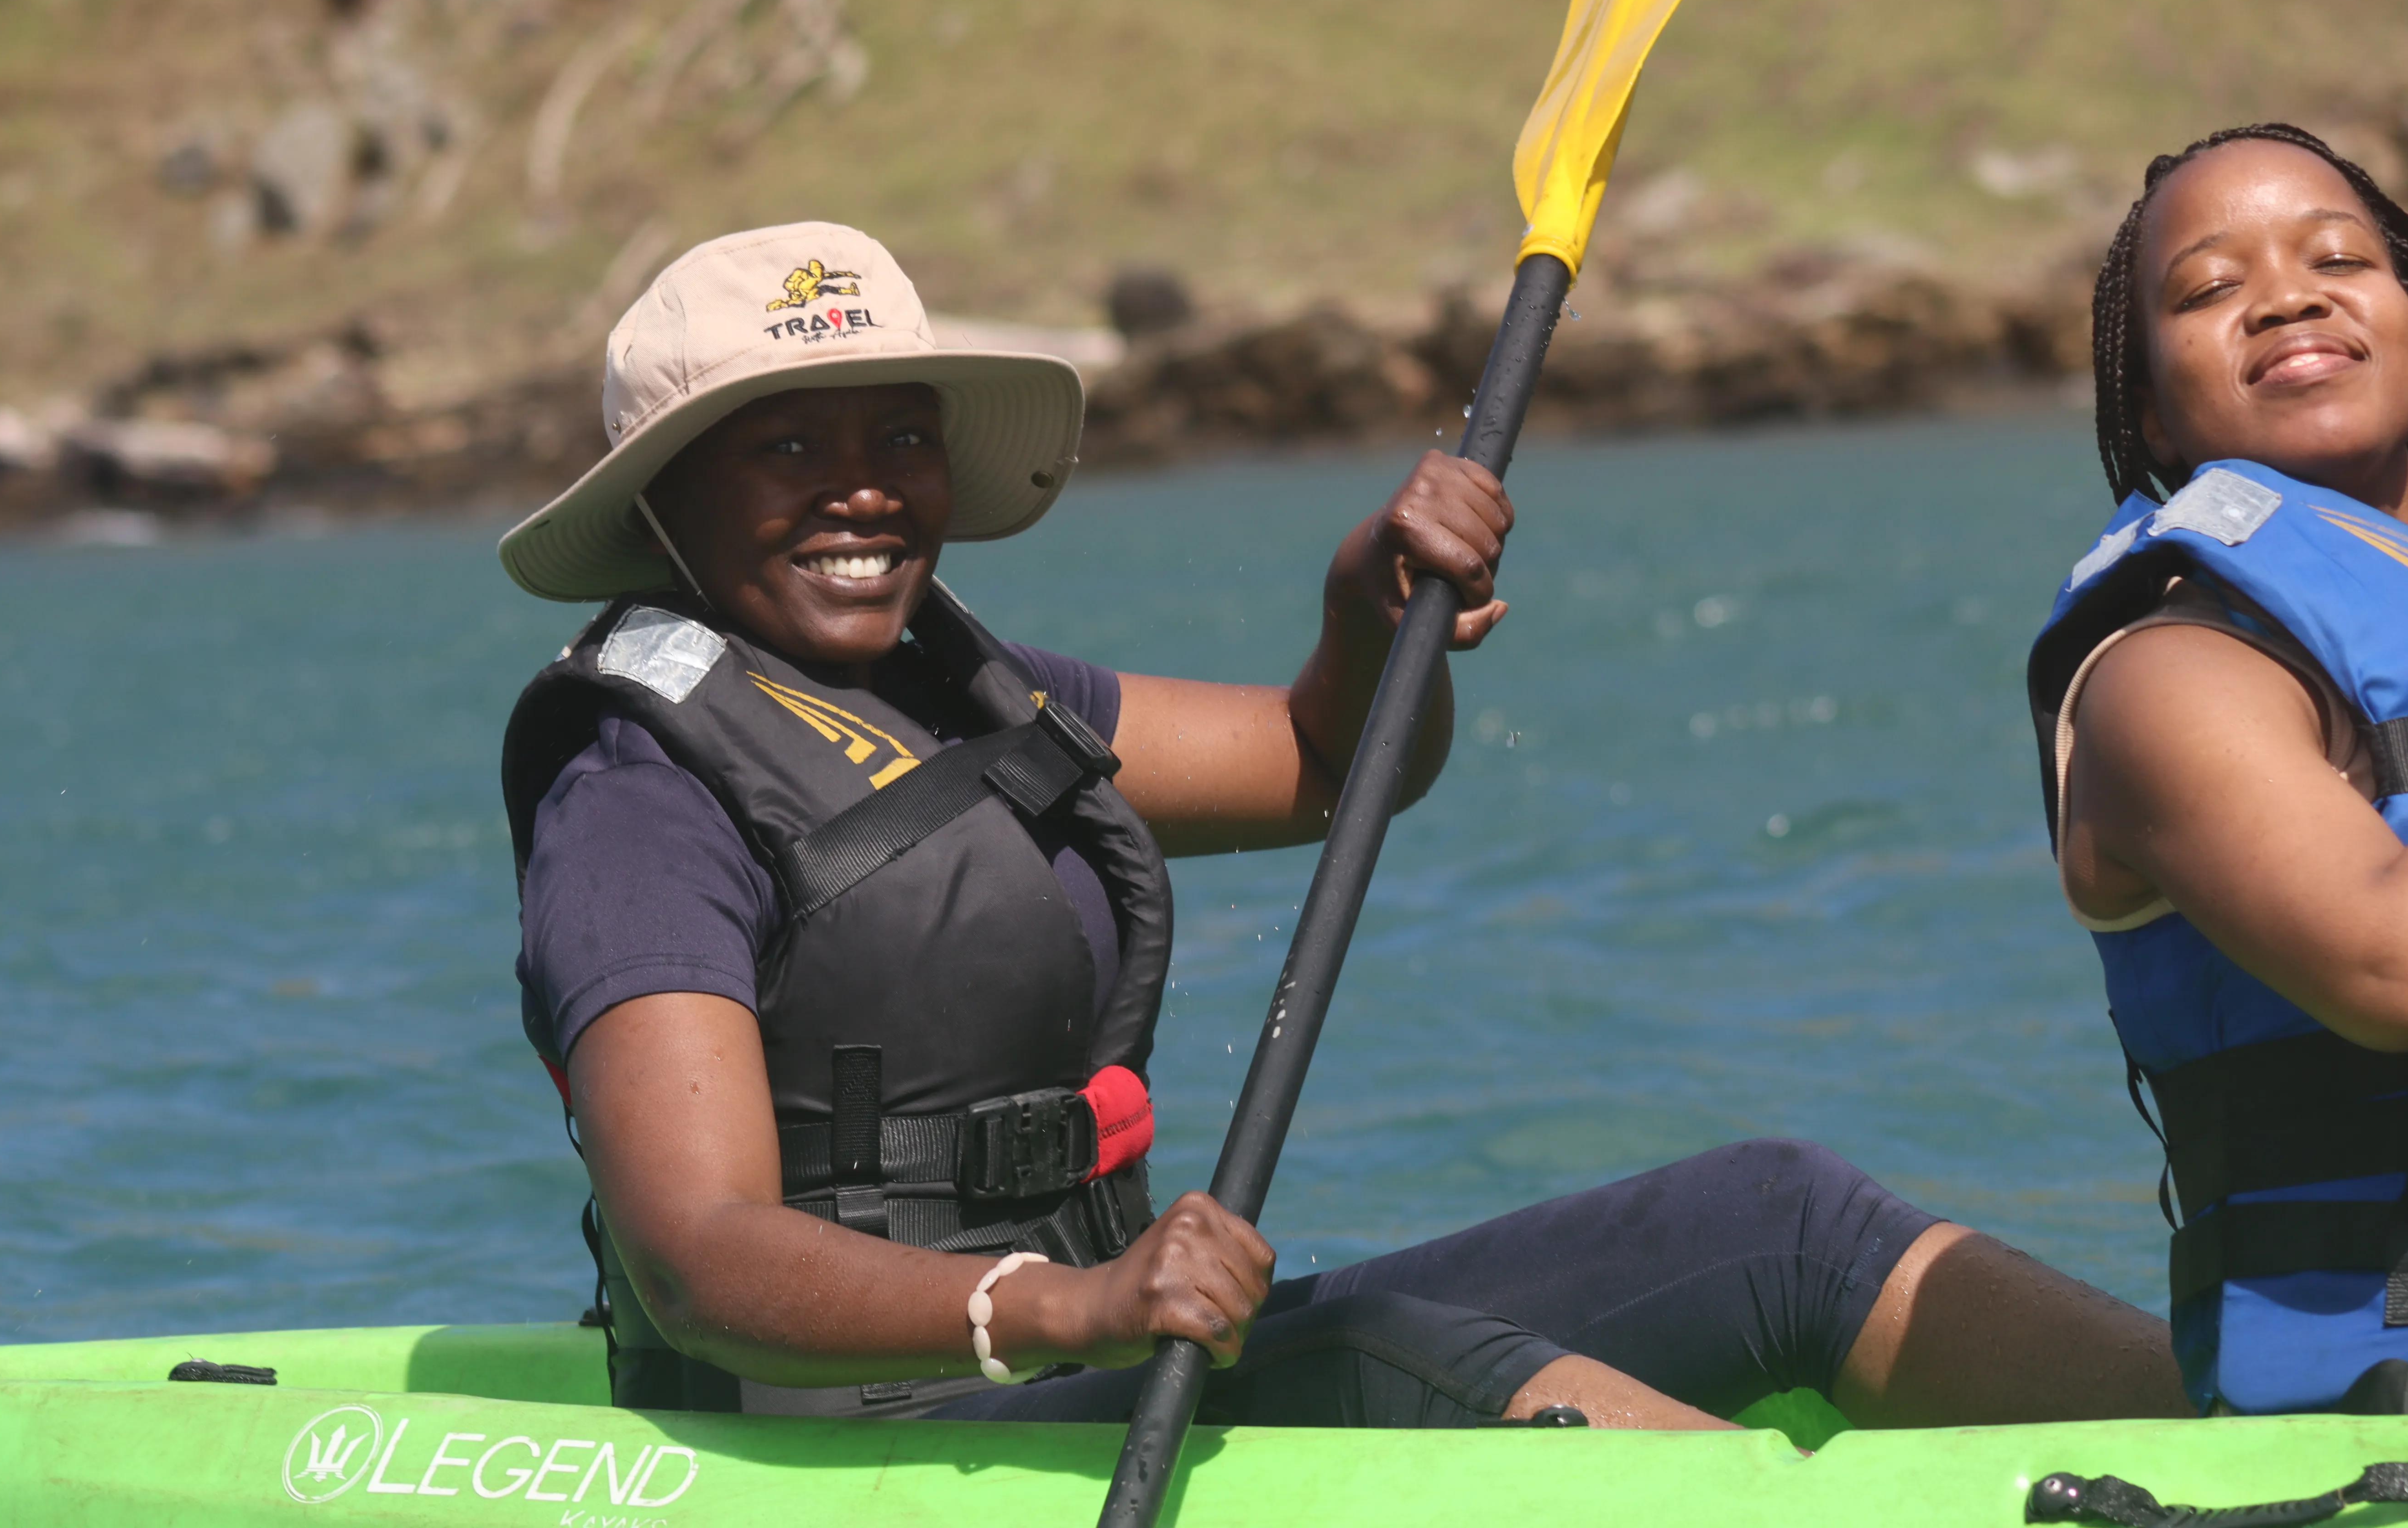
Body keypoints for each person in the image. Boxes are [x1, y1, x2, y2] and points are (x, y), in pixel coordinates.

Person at [501, 220, 2186, 1430]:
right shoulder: (639, 795)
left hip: (1115, 1356)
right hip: (870, 1410)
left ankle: (2263, 1463)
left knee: (1778, 1217)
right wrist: (1069, 1305)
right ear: (666, 498)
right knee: (1415, 1367)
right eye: (787, 443)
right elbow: (700, 1260)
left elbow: (1323, 763)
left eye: (898, 436)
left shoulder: (968, 688)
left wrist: (1369, 616)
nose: (863, 487)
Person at [2034, 123, 2408, 1418]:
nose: (2289, 294)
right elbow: (2400, 969)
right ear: (2146, 401)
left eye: (2339, 259)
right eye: (2209, 289)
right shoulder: (2169, 676)